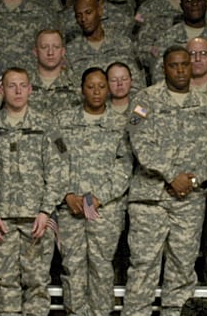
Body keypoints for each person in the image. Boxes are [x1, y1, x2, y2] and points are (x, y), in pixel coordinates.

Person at [122, 46, 207, 316]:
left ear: (192, 67)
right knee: (143, 268)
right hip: (150, 199)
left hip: (189, 201)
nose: (180, 70)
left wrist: (193, 180)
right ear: (164, 68)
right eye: (174, 65)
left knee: (182, 269)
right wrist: (169, 175)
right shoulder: (144, 100)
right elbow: (138, 140)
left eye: (184, 64)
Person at [0, 67, 64, 316]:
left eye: (22, 85)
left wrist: (46, 211)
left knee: (37, 282)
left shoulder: (46, 125)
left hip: (36, 217)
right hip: (2, 218)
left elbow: (57, 171)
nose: (17, 91)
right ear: (2, 90)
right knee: (6, 282)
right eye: (11, 86)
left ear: (30, 89)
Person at [55, 66, 133, 316]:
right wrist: (67, 195)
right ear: (81, 90)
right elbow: (54, 161)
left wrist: (99, 197)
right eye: (91, 86)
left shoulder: (121, 124)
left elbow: (124, 166)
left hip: (104, 208)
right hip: (71, 207)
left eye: (101, 86)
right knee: (72, 266)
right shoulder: (63, 121)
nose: (97, 91)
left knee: (101, 266)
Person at [28, 29, 81, 115]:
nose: (50, 53)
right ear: (35, 52)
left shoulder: (78, 83)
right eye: (44, 47)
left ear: (63, 51)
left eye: (56, 47)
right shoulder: (22, 83)